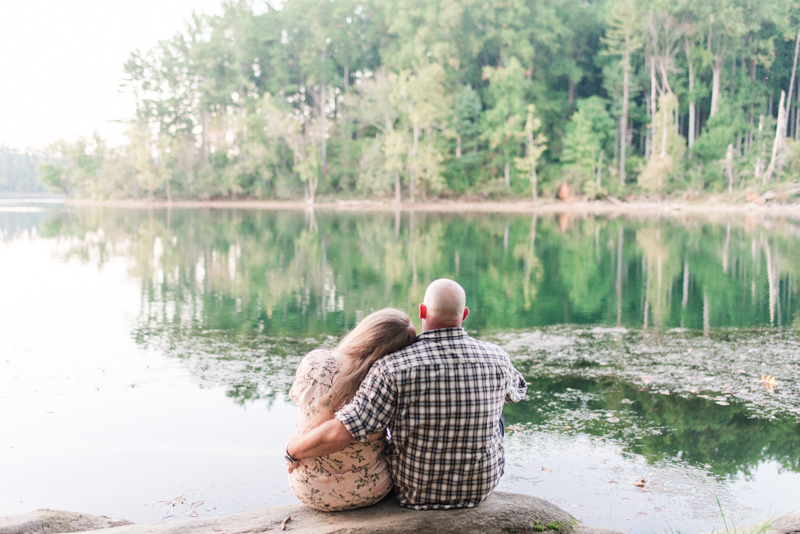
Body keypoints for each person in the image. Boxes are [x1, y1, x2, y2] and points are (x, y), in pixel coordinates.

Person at [285, 279, 527, 510]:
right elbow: (517, 392)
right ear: (464, 315)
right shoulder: (498, 357)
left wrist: (292, 451)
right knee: (497, 402)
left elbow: (344, 430)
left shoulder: (391, 367)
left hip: (416, 492)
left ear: (422, 311)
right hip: (480, 488)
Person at [286, 308, 417, 511]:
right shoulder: (388, 379)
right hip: (370, 489)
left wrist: (290, 451)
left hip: (308, 487)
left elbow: (304, 414)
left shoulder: (318, 361)